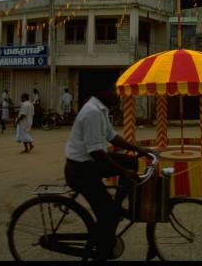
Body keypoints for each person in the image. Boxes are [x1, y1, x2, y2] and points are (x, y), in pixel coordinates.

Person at [64, 84, 153, 260]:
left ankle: (116, 205)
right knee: (108, 214)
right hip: (80, 170)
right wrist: (123, 172)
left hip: (88, 164)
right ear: (101, 91)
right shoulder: (93, 112)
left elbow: (112, 136)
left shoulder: (100, 109)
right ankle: (102, 251)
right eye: (112, 90)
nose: (116, 94)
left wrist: (139, 150)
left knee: (131, 161)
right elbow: (96, 152)